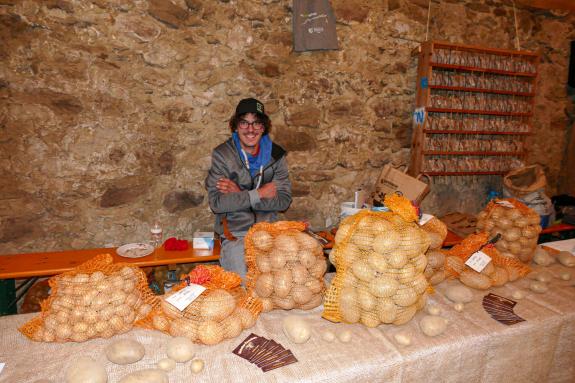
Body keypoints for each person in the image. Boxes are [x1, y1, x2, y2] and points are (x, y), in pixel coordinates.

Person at [205, 98, 292, 280]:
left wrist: (239, 196)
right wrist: (258, 194)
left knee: (289, 280)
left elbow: (284, 201)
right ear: (235, 126)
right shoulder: (223, 155)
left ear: (263, 127)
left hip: (269, 232)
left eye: (256, 123)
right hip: (236, 235)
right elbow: (217, 204)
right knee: (245, 284)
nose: (250, 130)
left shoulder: (276, 155)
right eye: (244, 123)